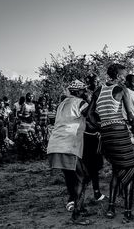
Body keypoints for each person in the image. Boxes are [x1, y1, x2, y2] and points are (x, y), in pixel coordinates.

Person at [86, 63, 134, 223]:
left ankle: (111, 209)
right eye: (123, 74)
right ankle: (128, 213)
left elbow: (89, 114)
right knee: (130, 170)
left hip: (106, 136)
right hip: (119, 133)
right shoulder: (121, 89)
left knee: (117, 170)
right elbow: (130, 115)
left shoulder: (98, 90)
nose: (125, 76)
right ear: (117, 75)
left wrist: (101, 125)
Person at [47, 80, 91, 225]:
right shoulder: (80, 102)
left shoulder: (62, 103)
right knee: (82, 178)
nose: (85, 92)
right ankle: (76, 215)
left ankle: (78, 206)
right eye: (84, 91)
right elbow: (91, 116)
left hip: (55, 144)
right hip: (69, 145)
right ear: (78, 92)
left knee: (72, 176)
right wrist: (91, 99)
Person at [81, 73, 107, 202]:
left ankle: (95, 192)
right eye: (94, 81)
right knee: (92, 165)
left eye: (97, 81)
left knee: (96, 165)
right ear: (89, 82)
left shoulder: (98, 93)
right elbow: (87, 113)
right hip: (89, 133)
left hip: (97, 133)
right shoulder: (87, 95)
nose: (96, 83)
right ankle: (83, 192)